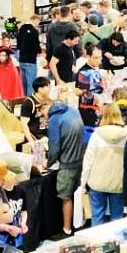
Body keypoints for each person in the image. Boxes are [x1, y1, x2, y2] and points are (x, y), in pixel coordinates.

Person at [83, 104, 127, 225]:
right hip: (118, 183)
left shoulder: (96, 135)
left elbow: (88, 160)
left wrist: (83, 183)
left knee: (97, 217)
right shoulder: (126, 135)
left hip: (97, 182)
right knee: (117, 219)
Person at [45, 86, 86, 232]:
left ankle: (67, 228)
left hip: (67, 163)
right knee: (79, 193)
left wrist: (48, 162)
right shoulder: (73, 111)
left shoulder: (55, 119)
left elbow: (54, 147)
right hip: (81, 159)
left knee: (65, 197)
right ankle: (80, 224)